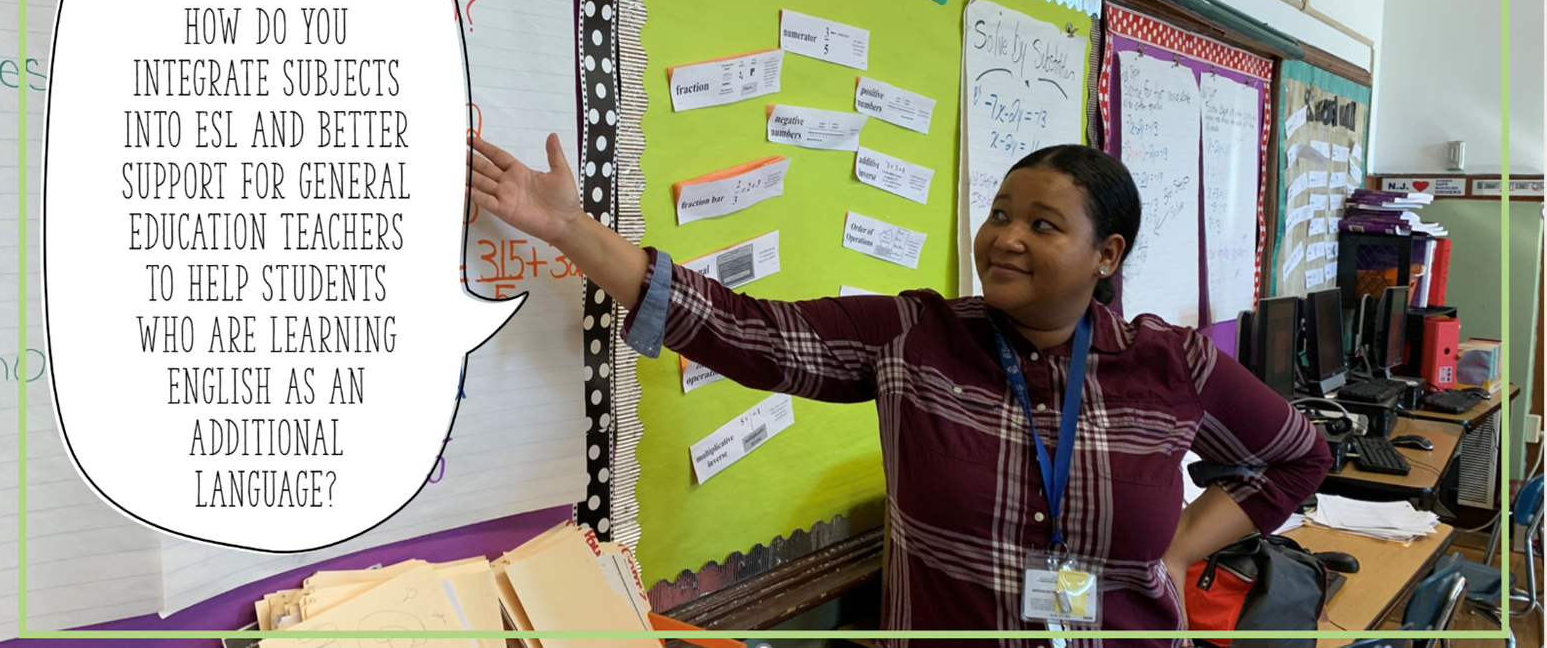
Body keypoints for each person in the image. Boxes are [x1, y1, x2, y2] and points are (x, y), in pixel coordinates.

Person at [468, 134, 1331, 644]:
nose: (1006, 238)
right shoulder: (917, 338)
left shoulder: (1169, 365)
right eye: (999, 214)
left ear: (1107, 254)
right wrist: (571, 230)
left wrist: (1176, 549)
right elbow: (745, 329)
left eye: (1043, 223)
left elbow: (1296, 459)